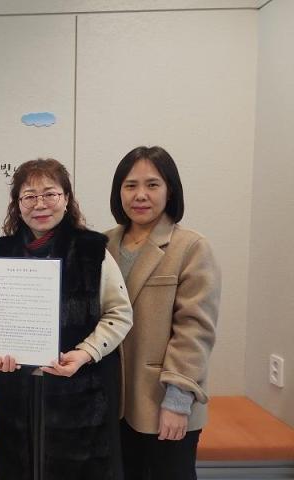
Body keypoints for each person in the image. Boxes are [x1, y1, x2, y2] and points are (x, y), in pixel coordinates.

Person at [0, 158, 133, 480]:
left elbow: (120, 314)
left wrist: (84, 353)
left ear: (66, 198)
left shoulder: (92, 250)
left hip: (80, 398)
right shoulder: (1, 251)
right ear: (17, 204)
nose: (40, 204)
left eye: (50, 194)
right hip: (17, 396)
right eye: (29, 196)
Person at [105, 146, 221, 480]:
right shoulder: (103, 243)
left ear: (170, 191)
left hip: (163, 402)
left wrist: (178, 401)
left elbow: (195, 330)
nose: (140, 195)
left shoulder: (191, 247)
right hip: (114, 403)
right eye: (130, 185)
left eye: (152, 185)